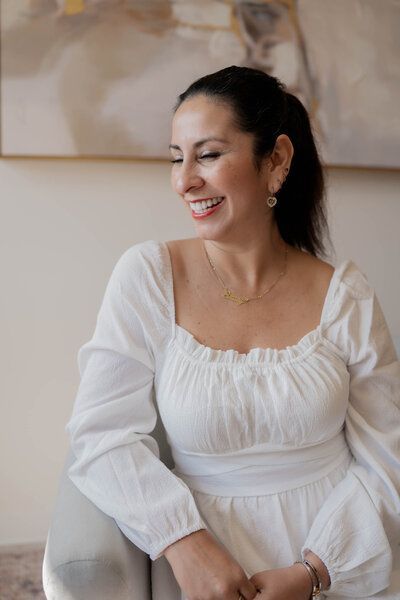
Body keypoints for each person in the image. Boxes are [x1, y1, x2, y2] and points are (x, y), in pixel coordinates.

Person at [65, 66, 400, 599]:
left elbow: (388, 456)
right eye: (177, 157)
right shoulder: (149, 276)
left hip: (341, 564)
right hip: (204, 574)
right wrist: (185, 541)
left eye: (209, 154)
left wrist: (314, 571)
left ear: (277, 161)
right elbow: (99, 437)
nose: (184, 180)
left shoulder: (345, 296)